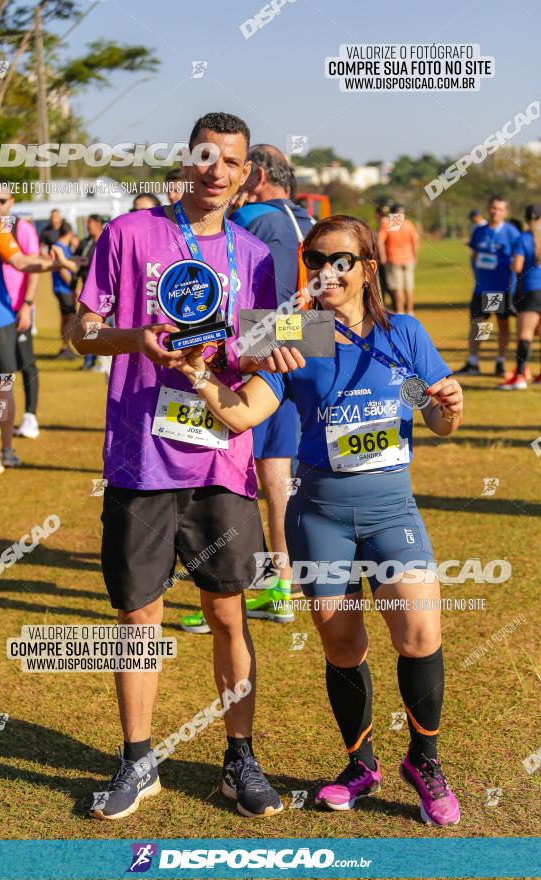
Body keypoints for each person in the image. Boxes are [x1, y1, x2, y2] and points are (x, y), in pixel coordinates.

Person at [175, 214, 464, 828]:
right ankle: (360, 765)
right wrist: (199, 375)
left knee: (418, 632)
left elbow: (431, 415)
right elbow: (245, 413)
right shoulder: (292, 332)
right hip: (320, 515)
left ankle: (425, 762)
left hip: (392, 509)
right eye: (315, 260)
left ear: (367, 267)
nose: (326, 271)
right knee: (342, 644)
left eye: (340, 260)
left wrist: (448, 410)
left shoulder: (403, 335)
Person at [72, 111, 284, 820]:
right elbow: (81, 330)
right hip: (140, 460)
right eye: (204, 157)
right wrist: (138, 340)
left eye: (231, 161)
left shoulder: (254, 255)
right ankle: (138, 761)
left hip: (220, 459)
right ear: (185, 160)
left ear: (248, 172)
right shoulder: (129, 234)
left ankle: (239, 758)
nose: (216, 171)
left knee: (227, 613)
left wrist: (276, 347)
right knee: (139, 616)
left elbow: (262, 347)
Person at [180, 144, 313, 633]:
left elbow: (227, 285)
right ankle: (282, 584)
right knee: (280, 474)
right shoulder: (304, 215)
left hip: (254, 352)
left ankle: (223, 587)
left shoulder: (253, 217)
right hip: (302, 343)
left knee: (226, 474)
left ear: (253, 174)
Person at [0, 183, 69, 473]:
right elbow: (22, 262)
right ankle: (6, 450)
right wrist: (56, 265)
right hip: (1, 322)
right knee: (3, 386)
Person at [0, 182, 41, 439]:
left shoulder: (24, 229)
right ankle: (0, 417)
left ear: (11, 201)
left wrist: (28, 305)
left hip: (18, 308)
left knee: (26, 362)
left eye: (1, 200)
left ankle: (30, 416)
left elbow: (33, 269)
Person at [456, 195, 520, 377]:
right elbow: (475, 254)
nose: (494, 211)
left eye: (499, 208)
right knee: (479, 325)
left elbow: (518, 258)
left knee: (502, 324)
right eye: (492, 207)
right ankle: (473, 362)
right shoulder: (480, 231)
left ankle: (500, 362)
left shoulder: (511, 233)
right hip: (482, 287)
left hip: (501, 288)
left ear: (505, 212)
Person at [499, 204, 541, 389]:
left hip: (531, 291)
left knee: (525, 335)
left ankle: (520, 377)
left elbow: (517, 267)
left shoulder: (523, 238)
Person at [71, 214, 105, 371]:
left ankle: (102, 361)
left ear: (98, 224)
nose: (87, 226)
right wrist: (75, 285)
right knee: (88, 324)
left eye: (90, 223)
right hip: (87, 289)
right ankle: (89, 361)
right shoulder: (85, 243)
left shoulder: (106, 239)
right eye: (86, 223)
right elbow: (76, 261)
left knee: (103, 326)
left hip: (106, 290)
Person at [377, 204, 419, 314]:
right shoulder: (408, 224)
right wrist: (415, 256)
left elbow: (380, 241)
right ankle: (410, 312)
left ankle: (400, 312)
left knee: (397, 289)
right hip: (408, 259)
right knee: (409, 288)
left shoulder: (387, 224)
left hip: (393, 259)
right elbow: (415, 241)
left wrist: (383, 257)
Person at [52, 221, 78, 360]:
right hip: (63, 288)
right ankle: (65, 347)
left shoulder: (61, 246)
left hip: (61, 288)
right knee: (72, 317)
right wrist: (73, 285)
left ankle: (64, 347)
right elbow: (63, 270)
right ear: (69, 233)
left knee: (65, 318)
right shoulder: (59, 247)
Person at [375, 204, 394, 308]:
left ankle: (385, 305)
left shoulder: (383, 224)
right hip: (396, 257)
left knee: (386, 283)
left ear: (378, 214)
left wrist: (382, 257)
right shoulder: (393, 224)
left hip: (386, 259)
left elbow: (379, 242)